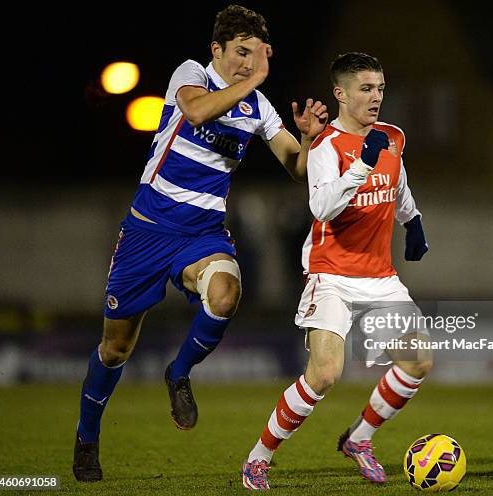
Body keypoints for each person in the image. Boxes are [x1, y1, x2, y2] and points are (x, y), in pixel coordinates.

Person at [72, 4, 328, 482]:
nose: (248, 63)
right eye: (239, 53)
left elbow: (297, 170)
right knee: (115, 349)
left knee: (227, 294)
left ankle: (179, 372)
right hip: (147, 231)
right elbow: (195, 110)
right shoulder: (192, 75)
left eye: (255, 55)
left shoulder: (260, 108)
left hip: (202, 234)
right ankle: (87, 438)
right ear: (217, 50)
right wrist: (252, 82)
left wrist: (310, 140)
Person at [241, 52, 433, 490]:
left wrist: (413, 220)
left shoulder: (392, 136)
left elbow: (397, 183)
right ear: (340, 93)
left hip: (380, 276)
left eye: (380, 88)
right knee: (325, 373)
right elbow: (322, 206)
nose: (376, 97)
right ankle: (258, 458)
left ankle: (359, 439)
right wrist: (361, 164)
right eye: (366, 89)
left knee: (418, 360)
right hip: (331, 274)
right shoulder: (327, 145)